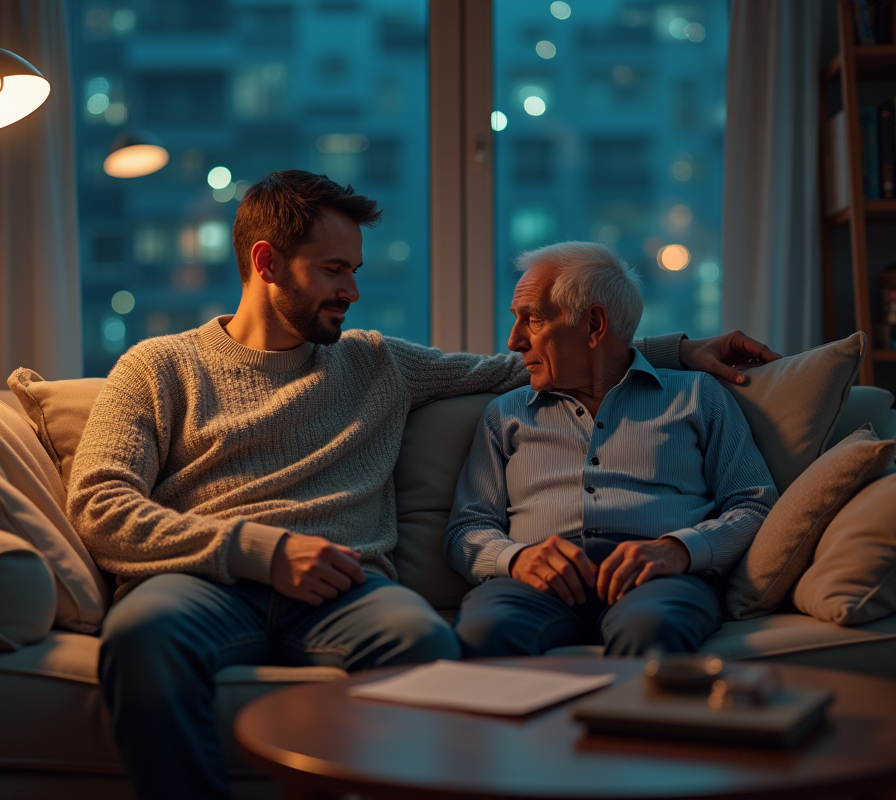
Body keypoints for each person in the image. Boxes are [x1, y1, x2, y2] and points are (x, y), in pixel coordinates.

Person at [67, 170, 780, 800]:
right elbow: (100, 503)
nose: (352, 291)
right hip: (204, 581)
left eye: (356, 270)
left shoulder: (378, 362)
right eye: (334, 270)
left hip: (347, 588)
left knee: (428, 648)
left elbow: (526, 364)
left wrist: (681, 350)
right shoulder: (158, 366)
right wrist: (260, 551)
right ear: (267, 263)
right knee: (139, 637)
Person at [445, 241, 778, 659]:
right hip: (534, 584)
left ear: (594, 324)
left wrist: (679, 549)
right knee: (484, 634)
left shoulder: (697, 396)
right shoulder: (504, 414)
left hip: (657, 580)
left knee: (652, 631)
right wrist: (515, 560)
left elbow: (755, 504)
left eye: (532, 320)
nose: (514, 341)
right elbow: (465, 529)